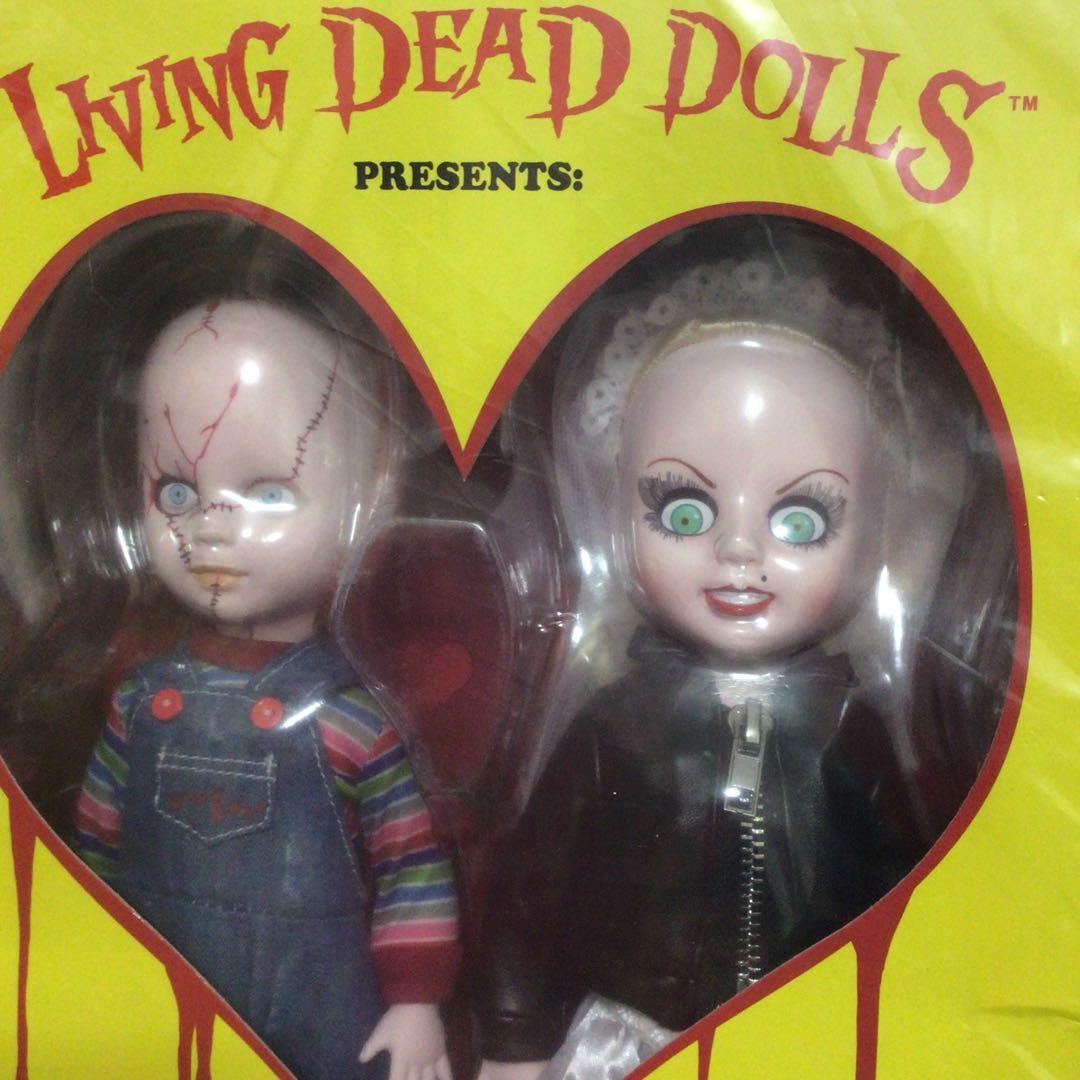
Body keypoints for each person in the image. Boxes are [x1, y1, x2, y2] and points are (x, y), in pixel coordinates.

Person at [473, 255, 947, 1080]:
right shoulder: (617, 726)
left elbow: (910, 894)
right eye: (684, 512)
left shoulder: (850, 731)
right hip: (634, 1038)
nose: (736, 551)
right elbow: (530, 895)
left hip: (803, 1044)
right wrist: (514, 1040)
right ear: (617, 511)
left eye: (801, 522)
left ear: (873, 528)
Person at [75, 297, 458, 1080]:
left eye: (270, 492)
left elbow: (410, 864)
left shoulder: (349, 720)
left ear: (370, 501)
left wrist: (416, 999)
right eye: (175, 493)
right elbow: (90, 851)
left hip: (322, 1010)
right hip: (159, 1004)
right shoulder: (139, 705)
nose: (211, 526)